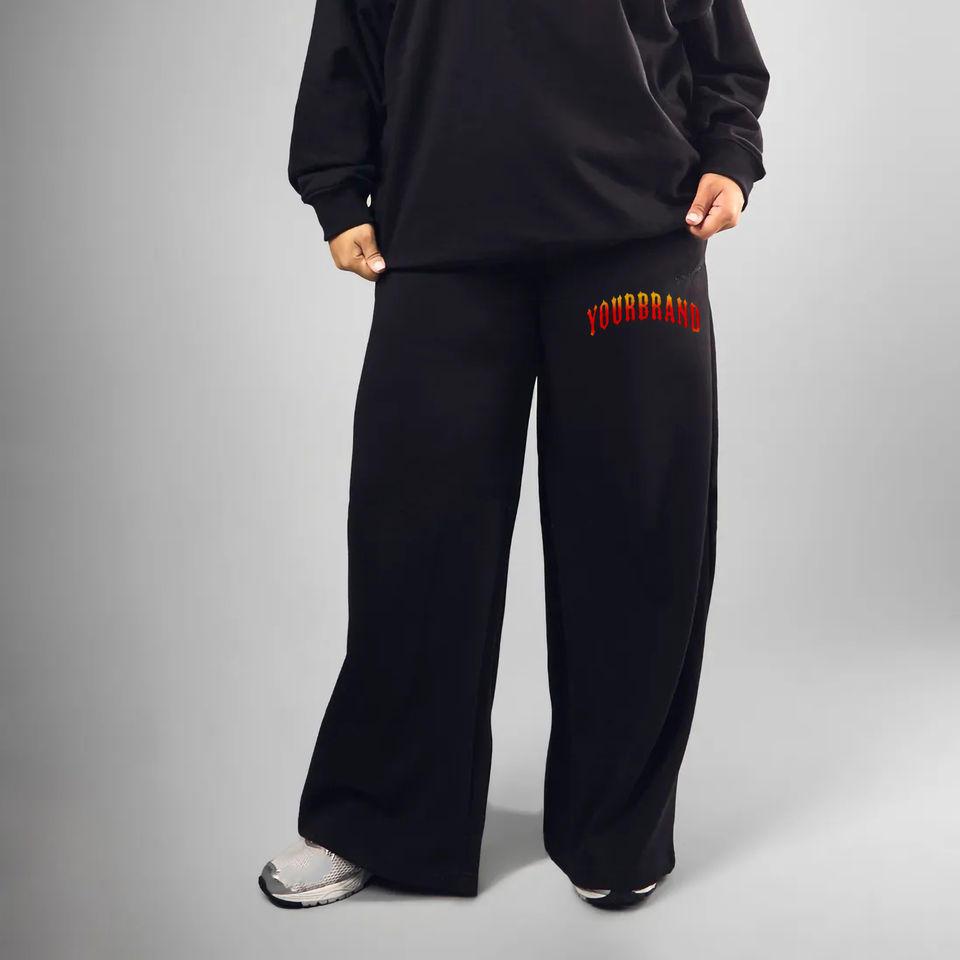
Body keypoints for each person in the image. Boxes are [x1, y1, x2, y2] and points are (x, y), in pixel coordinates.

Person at [259, 0, 769, 911]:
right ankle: (383, 819)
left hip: (636, 240)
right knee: (413, 544)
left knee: (639, 543)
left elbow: (720, 48)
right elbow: (351, 30)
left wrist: (730, 157)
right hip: (440, 243)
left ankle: (616, 830)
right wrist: (337, 187)